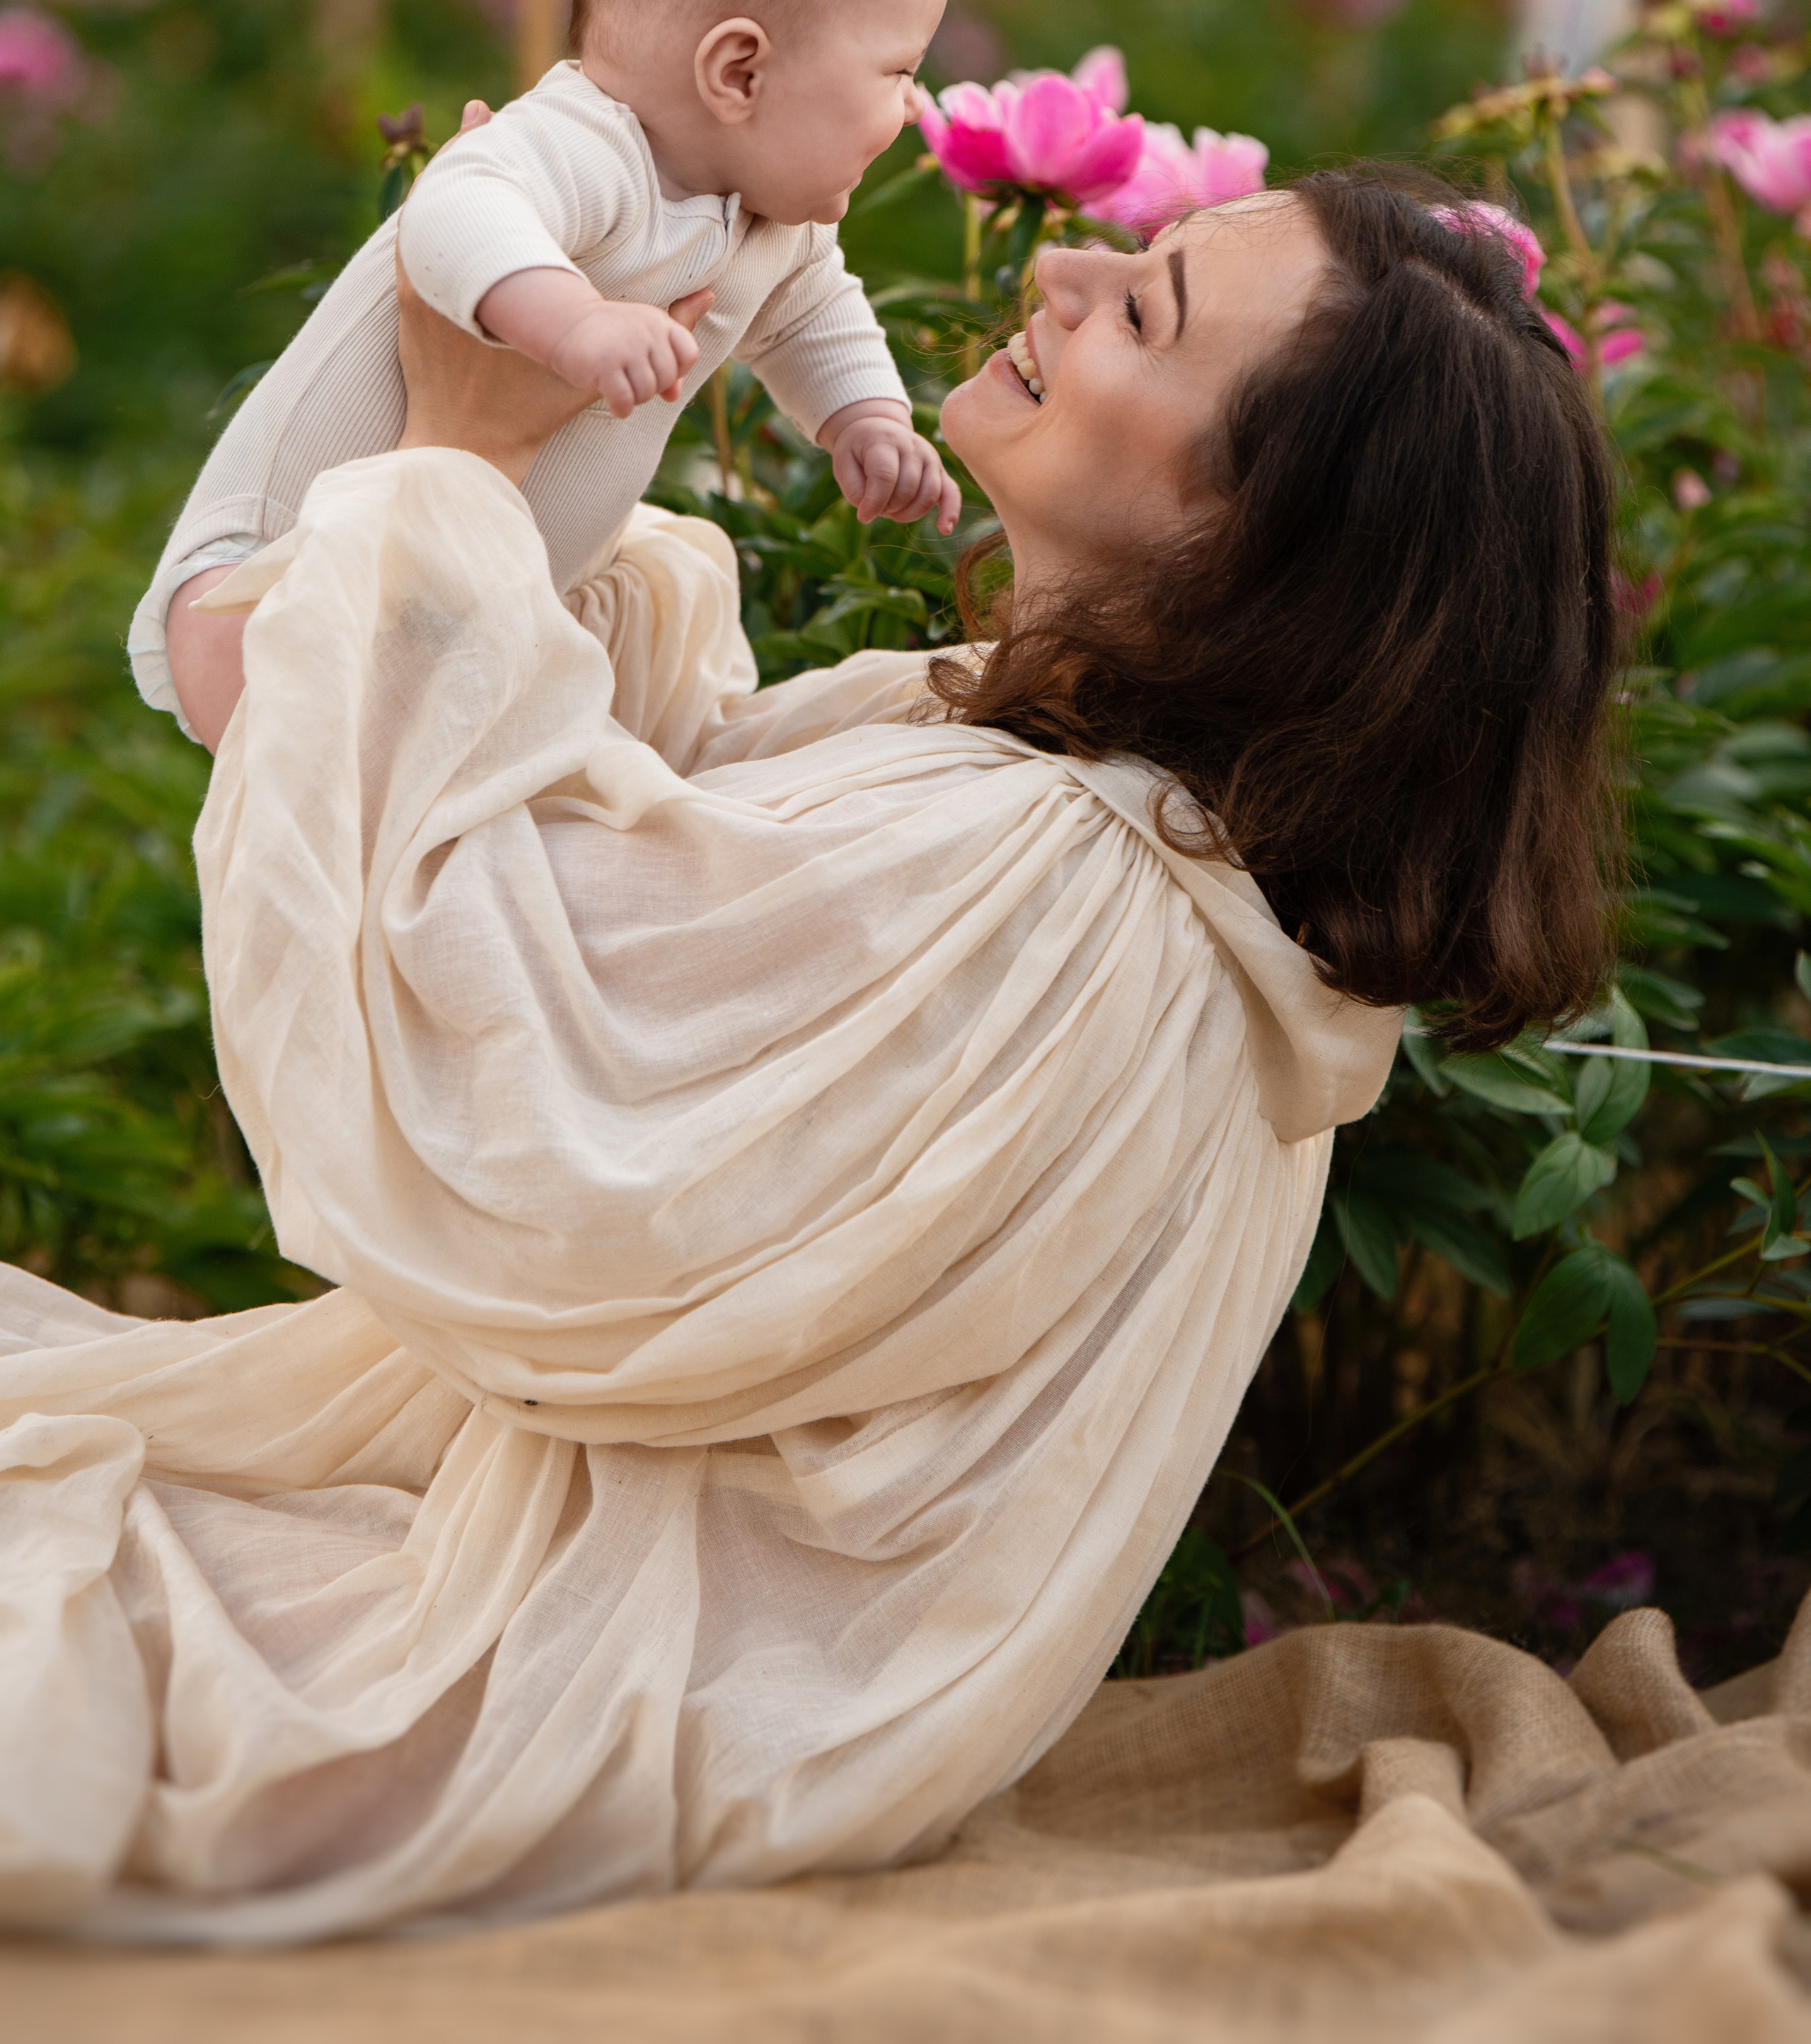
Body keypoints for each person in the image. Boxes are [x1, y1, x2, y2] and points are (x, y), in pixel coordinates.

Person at [0, 174, 1616, 1943]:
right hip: (770, 1679)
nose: (1063, 266)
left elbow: (522, 1116)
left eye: (1143, 310)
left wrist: (455, 464)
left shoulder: (1064, 889)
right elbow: (671, 809)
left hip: (638, 1676)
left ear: (1251, 536)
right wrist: (570, 389)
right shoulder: (1094, 813)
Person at [129, 0, 959, 749]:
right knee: (315, 772)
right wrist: (573, 321)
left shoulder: (771, 222)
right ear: (740, 71)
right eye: (899, 70)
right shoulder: (588, 144)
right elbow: (453, 209)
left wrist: (865, 420)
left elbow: (818, 316)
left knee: (410, 794)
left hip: (450, 602)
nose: (916, 107)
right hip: (269, 581)